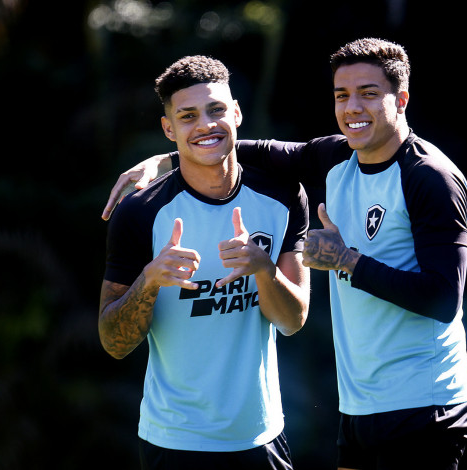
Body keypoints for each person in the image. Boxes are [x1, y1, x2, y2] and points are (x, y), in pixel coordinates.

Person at [103, 38, 467, 470]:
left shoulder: (431, 177)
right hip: (359, 406)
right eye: (342, 95)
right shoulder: (338, 156)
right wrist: (165, 160)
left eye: (369, 93)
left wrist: (346, 260)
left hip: (425, 405)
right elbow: (238, 147)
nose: (352, 107)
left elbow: (443, 299)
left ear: (402, 98)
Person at [99, 55, 310, 470]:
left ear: (236, 112)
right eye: (188, 116)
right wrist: (149, 281)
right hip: (174, 443)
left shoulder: (283, 195)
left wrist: (264, 271)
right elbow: (114, 343)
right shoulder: (140, 212)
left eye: (216, 110)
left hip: (261, 437)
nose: (206, 125)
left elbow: (293, 320)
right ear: (169, 129)